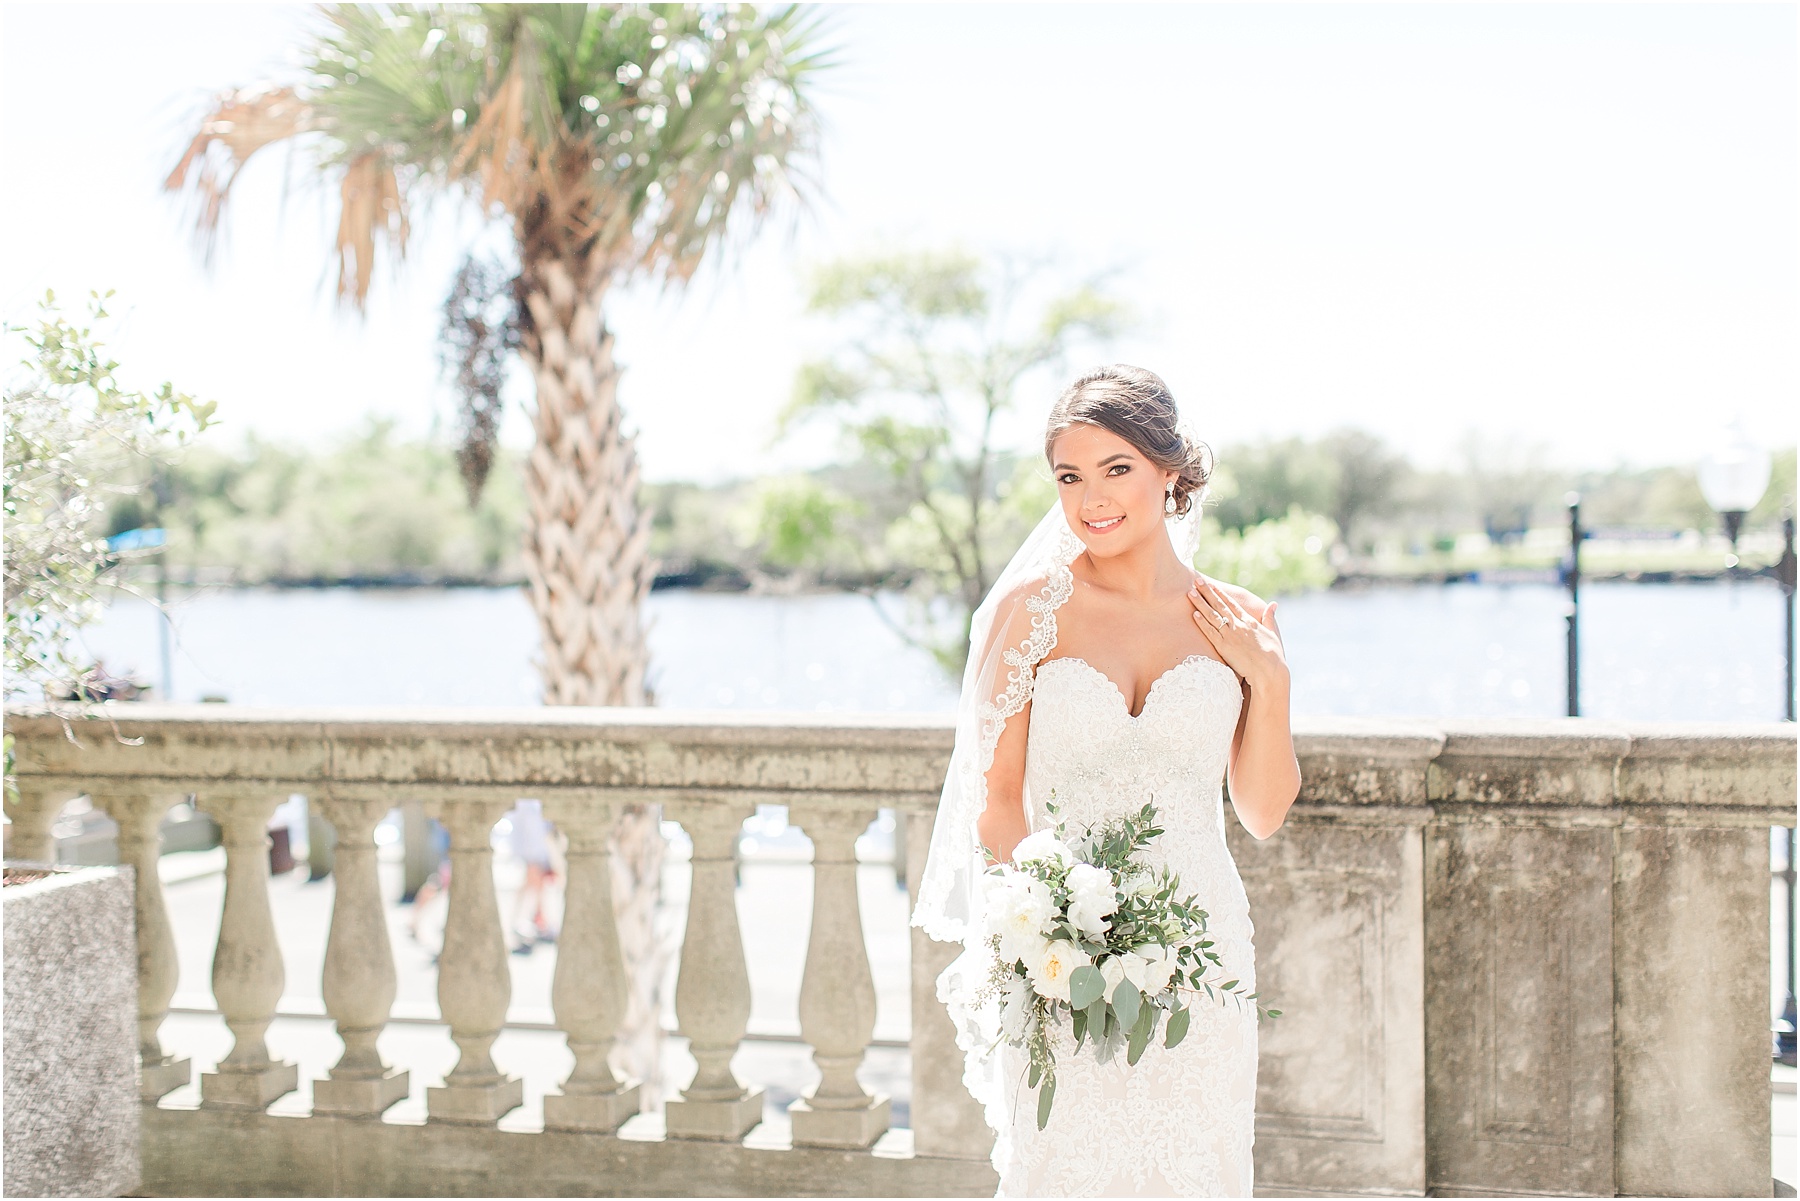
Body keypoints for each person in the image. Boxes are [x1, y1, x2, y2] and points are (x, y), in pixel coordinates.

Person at [913, 364, 1300, 1198]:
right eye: (1069, 475)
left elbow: (1263, 812)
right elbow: (996, 804)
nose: (1092, 497)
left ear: (1170, 470)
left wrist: (1269, 681)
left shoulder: (1241, 620)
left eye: (1116, 468)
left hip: (1203, 952)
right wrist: (1062, 915)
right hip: (1061, 960)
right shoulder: (1030, 611)